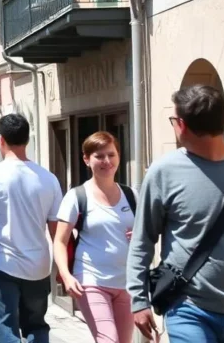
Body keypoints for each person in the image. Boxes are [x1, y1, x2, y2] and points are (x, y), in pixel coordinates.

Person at [128, 85, 224, 343]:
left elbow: (140, 241)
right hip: (189, 307)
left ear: (180, 125)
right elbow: (143, 239)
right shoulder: (164, 172)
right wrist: (138, 300)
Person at [0, 114, 63, 343]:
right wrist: (60, 268)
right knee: (36, 325)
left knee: (6, 326)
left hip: (1, 263)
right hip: (38, 265)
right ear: (27, 140)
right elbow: (56, 231)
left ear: (1, 140)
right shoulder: (48, 178)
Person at [53, 132, 135, 343]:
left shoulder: (132, 195)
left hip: (127, 283)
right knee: (108, 340)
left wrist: (139, 236)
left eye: (111, 155)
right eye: (99, 156)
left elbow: (147, 236)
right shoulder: (77, 196)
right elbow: (60, 241)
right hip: (91, 279)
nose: (107, 161)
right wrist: (66, 275)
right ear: (86, 160)